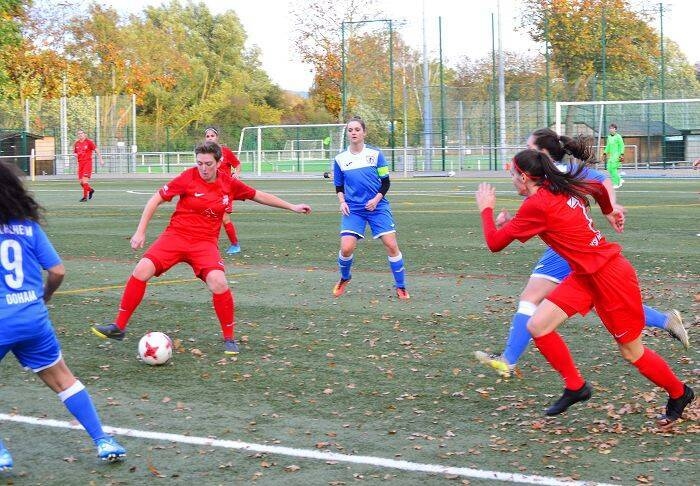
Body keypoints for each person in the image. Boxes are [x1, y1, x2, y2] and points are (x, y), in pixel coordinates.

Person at [475, 149, 694, 421]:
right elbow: (599, 188)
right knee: (537, 326)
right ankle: (575, 387)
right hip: (585, 275)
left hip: (610, 277)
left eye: (511, 174)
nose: (510, 180)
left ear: (523, 177)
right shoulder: (560, 187)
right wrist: (609, 211)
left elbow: (494, 243)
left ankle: (679, 392)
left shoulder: (540, 202)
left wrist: (485, 208)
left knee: (631, 352)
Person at [91, 141, 311, 355]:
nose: (203, 168)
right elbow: (155, 199)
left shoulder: (228, 183)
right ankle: (119, 327)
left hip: (204, 243)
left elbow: (258, 195)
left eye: (208, 164)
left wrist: (292, 206)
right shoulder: (188, 177)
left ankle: (229, 338)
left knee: (219, 282)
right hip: (175, 236)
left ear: (219, 162)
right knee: (141, 269)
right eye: (199, 163)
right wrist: (140, 231)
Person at [0, 161, 126, 471]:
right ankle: (103, 440)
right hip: (33, 319)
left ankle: (1, 453)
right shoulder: (29, 227)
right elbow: (57, 271)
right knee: (63, 379)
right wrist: (45, 297)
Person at [331, 116, 409, 300]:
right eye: (350, 130)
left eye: (357, 129)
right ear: (347, 134)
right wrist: (342, 201)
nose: (354, 133)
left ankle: (401, 286)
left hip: (378, 207)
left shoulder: (375, 155)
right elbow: (339, 186)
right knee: (346, 248)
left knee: (391, 245)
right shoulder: (340, 159)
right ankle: (344, 277)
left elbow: (386, 182)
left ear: (364, 132)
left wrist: (375, 200)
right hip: (354, 209)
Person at [204, 127, 243, 254]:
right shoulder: (206, 154)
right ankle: (210, 244)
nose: (210, 138)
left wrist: (236, 173)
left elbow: (237, 164)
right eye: (208, 136)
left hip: (226, 189)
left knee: (224, 218)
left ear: (217, 137)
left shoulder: (225, 152)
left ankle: (235, 245)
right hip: (211, 189)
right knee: (210, 216)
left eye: (212, 136)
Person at [73, 129, 104, 202]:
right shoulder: (76, 143)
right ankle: (91, 190)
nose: (80, 135)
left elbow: (97, 150)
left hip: (87, 163)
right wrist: (75, 155)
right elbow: (75, 153)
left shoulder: (89, 142)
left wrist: (101, 159)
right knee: (81, 182)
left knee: (84, 181)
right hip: (80, 164)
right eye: (79, 134)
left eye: (81, 133)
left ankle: (85, 197)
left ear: (84, 134)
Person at [603, 123, 625, 189]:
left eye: (612, 128)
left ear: (615, 129)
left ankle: (616, 183)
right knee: (609, 168)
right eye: (610, 128)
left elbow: (622, 145)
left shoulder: (618, 136)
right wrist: (605, 153)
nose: (611, 130)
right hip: (612, 156)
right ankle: (620, 179)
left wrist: (621, 154)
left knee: (613, 168)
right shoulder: (609, 137)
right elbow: (608, 146)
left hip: (617, 155)